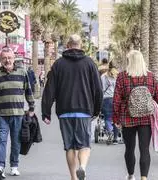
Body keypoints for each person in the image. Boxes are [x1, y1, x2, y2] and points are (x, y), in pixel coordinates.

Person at [42, 34, 103, 180]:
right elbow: (98, 89)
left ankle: (73, 177)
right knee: (84, 145)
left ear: (68, 45)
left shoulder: (58, 64)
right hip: (84, 110)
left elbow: (50, 89)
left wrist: (46, 112)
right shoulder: (89, 63)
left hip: (64, 111)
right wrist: (96, 110)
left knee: (69, 146)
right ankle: (82, 167)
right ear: (80, 45)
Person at [113, 50, 158, 180]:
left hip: (127, 117)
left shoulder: (122, 77)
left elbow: (117, 99)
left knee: (129, 149)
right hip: (146, 119)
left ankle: (130, 175)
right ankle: (144, 178)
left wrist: (115, 117)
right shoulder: (151, 77)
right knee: (144, 149)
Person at [0, 47, 35, 179]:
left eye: (9, 58)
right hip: (1, 114)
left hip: (18, 113)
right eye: (4, 58)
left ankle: (14, 166)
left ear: (14, 59)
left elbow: (28, 91)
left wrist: (31, 107)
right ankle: (0, 166)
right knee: (1, 140)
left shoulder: (22, 72)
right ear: (0, 59)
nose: (7, 60)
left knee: (16, 141)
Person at [101, 61, 119, 144]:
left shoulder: (103, 76)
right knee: (116, 119)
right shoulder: (119, 76)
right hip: (116, 99)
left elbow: (101, 89)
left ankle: (110, 132)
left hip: (106, 99)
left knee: (107, 118)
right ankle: (115, 138)